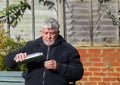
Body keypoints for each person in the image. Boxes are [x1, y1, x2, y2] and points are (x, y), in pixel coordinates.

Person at [4, 17, 84, 85]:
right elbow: (8, 62)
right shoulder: (32, 46)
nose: (48, 37)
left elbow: (78, 73)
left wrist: (59, 67)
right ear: (41, 32)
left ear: (58, 33)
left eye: (52, 33)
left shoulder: (68, 49)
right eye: (46, 33)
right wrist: (15, 58)